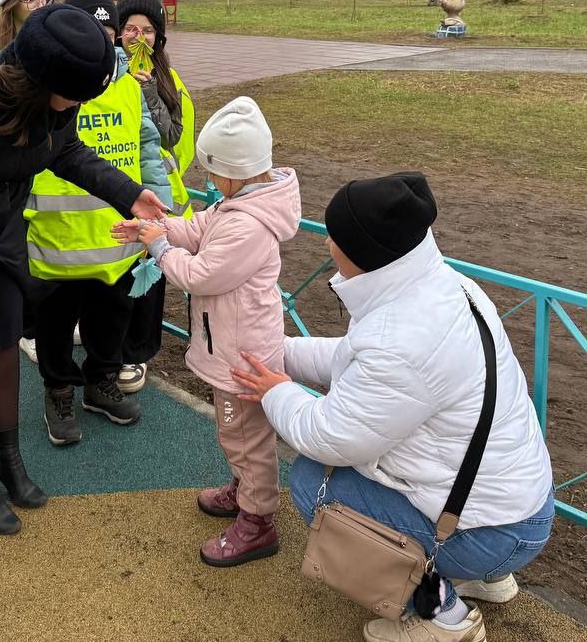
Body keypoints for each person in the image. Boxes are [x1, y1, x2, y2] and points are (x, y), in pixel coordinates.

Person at [232, 173, 555, 642]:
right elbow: (356, 355)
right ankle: (483, 575)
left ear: (361, 251)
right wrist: (280, 351)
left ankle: (443, 615)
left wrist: (274, 390)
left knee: (312, 482)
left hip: (495, 529)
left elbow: (329, 436)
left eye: (334, 236)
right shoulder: (441, 286)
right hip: (517, 506)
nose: (328, 245)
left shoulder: (402, 341)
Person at [0, 3, 168, 536]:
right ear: (39, 77)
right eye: (75, 96)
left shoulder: (59, 90)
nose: (78, 105)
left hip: (5, 237)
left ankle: (9, 458)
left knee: (5, 346)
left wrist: (130, 194)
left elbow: (68, 151)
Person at [112, 97, 300, 567]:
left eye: (211, 173)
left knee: (246, 435)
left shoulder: (248, 225)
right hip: (235, 343)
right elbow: (197, 229)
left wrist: (157, 246)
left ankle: (258, 520)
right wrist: (156, 227)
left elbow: (199, 275)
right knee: (236, 431)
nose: (207, 182)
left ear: (232, 173)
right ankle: (245, 488)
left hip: (243, 354)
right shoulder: (237, 205)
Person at [25, 0, 168, 447]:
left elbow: (145, 146)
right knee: (56, 320)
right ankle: (59, 389)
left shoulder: (130, 83)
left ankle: (101, 381)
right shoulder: (45, 81)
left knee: (113, 315)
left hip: (117, 233)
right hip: (59, 236)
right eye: (95, 34)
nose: (104, 47)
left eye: (110, 35)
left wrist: (157, 209)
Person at [113, 0, 196, 395]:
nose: (137, 37)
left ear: (157, 38)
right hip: (112, 192)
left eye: (147, 31)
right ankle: (108, 344)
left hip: (156, 197)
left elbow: (172, 134)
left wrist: (145, 91)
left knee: (149, 278)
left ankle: (137, 352)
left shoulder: (167, 78)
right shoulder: (103, 71)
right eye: (130, 28)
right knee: (114, 271)